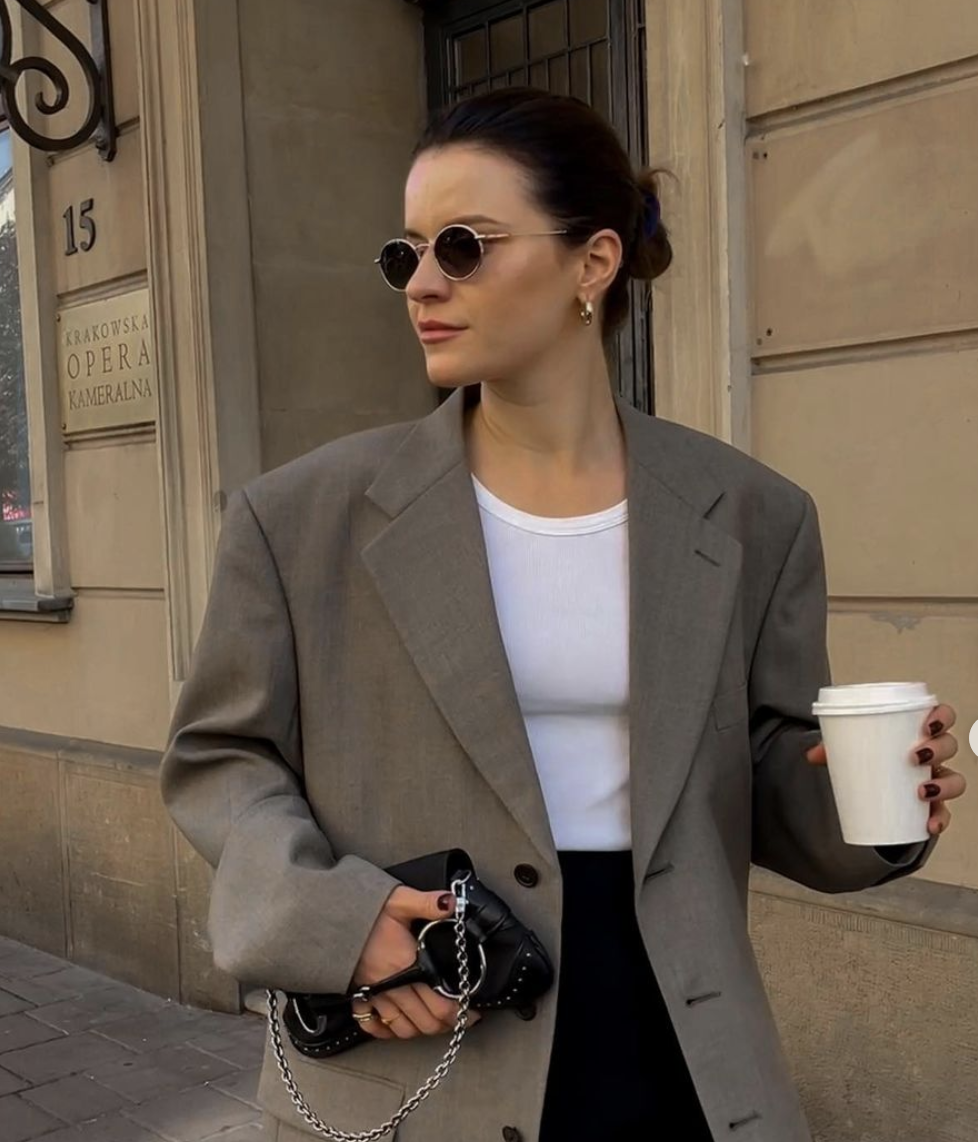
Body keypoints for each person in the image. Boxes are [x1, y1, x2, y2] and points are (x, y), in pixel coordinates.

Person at [159, 89, 966, 1142]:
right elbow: (221, 757)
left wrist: (877, 801)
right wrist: (336, 919)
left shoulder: (751, 513)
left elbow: (765, 772)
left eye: (464, 245)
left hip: (680, 1037)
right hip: (433, 1023)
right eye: (407, 254)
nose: (425, 285)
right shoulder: (302, 516)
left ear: (593, 263)